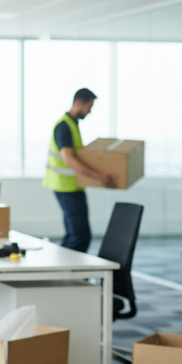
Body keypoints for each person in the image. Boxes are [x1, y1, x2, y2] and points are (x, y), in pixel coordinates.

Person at [42, 88, 116, 253]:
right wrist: (98, 176)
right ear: (78, 103)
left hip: (72, 186)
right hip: (66, 187)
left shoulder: (72, 125)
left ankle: (62, 270)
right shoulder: (64, 126)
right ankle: (65, 271)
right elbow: (69, 159)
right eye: (89, 107)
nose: (90, 111)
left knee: (74, 235)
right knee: (79, 236)